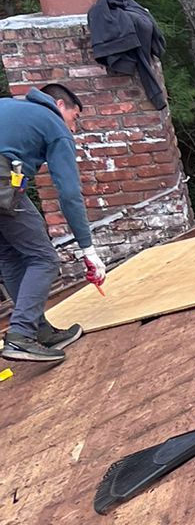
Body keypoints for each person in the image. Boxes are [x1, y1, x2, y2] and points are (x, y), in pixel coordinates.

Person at [0, 83, 106, 366]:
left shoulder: (10, 107)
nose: (73, 128)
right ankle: (21, 335)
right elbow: (69, 194)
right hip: (1, 179)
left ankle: (37, 330)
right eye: (75, 118)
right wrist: (88, 249)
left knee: (11, 255)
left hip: (7, 182)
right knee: (44, 258)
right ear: (60, 106)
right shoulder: (53, 123)